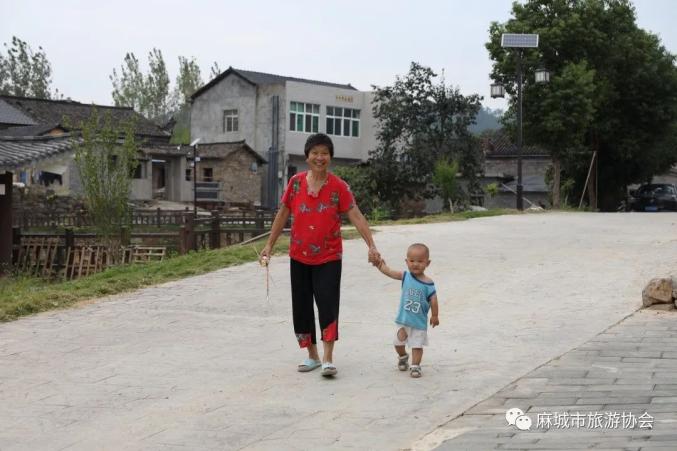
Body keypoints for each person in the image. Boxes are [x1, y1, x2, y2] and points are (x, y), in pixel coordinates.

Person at [260, 133, 381, 377]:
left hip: (329, 257)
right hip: (299, 256)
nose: (319, 157)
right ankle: (312, 355)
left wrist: (372, 245)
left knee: (327, 304)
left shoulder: (339, 187)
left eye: (324, 153)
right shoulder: (295, 183)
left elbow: (356, 215)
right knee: (301, 306)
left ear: (330, 157)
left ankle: (328, 358)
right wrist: (269, 245)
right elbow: (283, 214)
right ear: (307, 157)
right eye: (315, 153)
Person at [376, 243, 439, 378]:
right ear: (406, 261)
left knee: (417, 345)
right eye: (412, 261)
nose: (415, 264)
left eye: (420, 261)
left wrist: (435, 315)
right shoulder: (405, 276)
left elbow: (434, 300)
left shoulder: (428, 283)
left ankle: (415, 366)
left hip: (419, 323)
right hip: (404, 321)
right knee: (397, 343)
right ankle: (403, 356)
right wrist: (380, 265)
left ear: (427, 263)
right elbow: (390, 272)